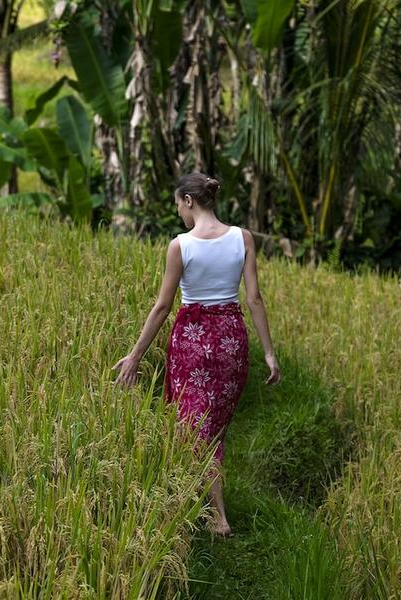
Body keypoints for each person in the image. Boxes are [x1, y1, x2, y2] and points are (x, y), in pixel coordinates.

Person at [112, 172, 281, 538]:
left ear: (189, 200)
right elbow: (254, 299)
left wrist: (135, 356)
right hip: (230, 341)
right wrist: (269, 354)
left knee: (193, 428)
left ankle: (215, 516)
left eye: (178, 205)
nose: (179, 213)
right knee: (211, 430)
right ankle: (201, 505)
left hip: (191, 340)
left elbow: (162, 306)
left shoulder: (180, 245)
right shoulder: (243, 238)